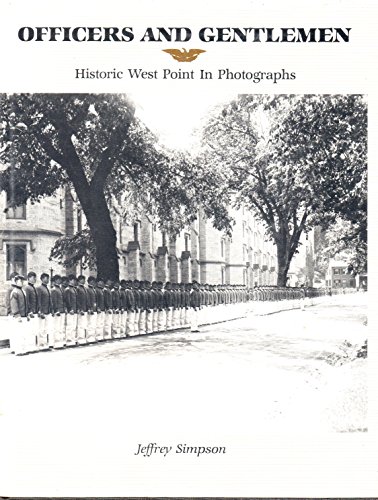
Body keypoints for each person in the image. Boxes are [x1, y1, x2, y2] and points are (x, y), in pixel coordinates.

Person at [9, 274, 29, 355]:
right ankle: (18, 350)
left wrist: (27, 314)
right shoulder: (14, 292)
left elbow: (26, 303)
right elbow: (14, 304)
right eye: (20, 281)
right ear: (16, 281)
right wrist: (17, 315)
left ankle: (23, 349)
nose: (22, 282)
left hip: (24, 315)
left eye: (23, 281)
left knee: (23, 334)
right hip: (19, 316)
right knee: (18, 333)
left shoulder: (23, 291)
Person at [36, 273, 52, 350]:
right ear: (42, 279)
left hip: (47, 311)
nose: (47, 280)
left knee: (46, 329)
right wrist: (40, 310)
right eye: (46, 278)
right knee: (41, 329)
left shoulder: (47, 288)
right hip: (42, 311)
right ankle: (41, 344)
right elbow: (38, 300)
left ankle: (45, 344)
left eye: (48, 278)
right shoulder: (39, 288)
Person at [24, 271, 39, 352]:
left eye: (35, 277)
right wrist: (29, 311)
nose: (35, 279)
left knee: (34, 330)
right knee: (29, 330)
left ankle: (33, 346)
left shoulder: (34, 288)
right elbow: (27, 301)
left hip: (35, 312)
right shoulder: (27, 288)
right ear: (29, 278)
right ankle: (29, 347)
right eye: (33, 277)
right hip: (31, 313)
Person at [50, 274, 66, 348]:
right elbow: (54, 301)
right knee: (56, 327)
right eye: (58, 280)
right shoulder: (54, 290)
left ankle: (60, 341)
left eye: (60, 280)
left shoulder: (60, 289)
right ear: (55, 280)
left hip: (62, 310)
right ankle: (56, 343)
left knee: (61, 327)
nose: (59, 281)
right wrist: (56, 310)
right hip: (58, 311)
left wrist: (64, 309)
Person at [64, 274, 78, 346]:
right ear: (69, 281)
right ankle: (69, 340)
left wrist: (76, 308)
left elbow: (76, 300)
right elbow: (67, 300)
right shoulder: (67, 289)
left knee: (74, 326)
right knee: (69, 325)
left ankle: (73, 339)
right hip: (71, 311)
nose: (74, 282)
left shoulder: (74, 289)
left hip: (75, 310)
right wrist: (70, 309)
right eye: (73, 280)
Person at [76, 275, 88, 345]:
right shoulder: (78, 288)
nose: (83, 281)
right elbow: (78, 300)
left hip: (85, 309)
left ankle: (83, 338)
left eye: (84, 279)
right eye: (82, 279)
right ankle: (80, 339)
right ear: (79, 280)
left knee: (84, 324)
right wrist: (80, 309)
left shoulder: (85, 289)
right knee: (80, 325)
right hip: (81, 309)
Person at [86, 276, 97, 343]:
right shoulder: (88, 289)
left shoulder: (93, 289)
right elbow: (88, 299)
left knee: (93, 324)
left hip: (94, 308)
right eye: (92, 281)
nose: (93, 283)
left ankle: (93, 337)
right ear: (89, 282)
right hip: (91, 309)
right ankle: (89, 338)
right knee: (89, 324)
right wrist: (89, 308)